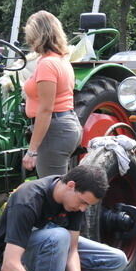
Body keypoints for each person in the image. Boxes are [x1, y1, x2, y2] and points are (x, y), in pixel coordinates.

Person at [21, 11, 82, 177]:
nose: (28, 40)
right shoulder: (60, 60)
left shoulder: (47, 64)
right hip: (65, 124)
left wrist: (32, 151)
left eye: (30, 35)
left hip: (54, 130)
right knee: (58, 186)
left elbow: (46, 109)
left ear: (37, 35)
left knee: (52, 189)